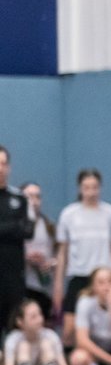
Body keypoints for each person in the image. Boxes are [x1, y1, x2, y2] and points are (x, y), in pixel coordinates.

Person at [53, 169, 111, 347]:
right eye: (86, 187)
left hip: (103, 278)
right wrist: (58, 285)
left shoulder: (110, 213)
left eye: (95, 187)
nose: (91, 192)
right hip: (78, 276)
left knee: (105, 327)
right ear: (80, 188)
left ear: (100, 188)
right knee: (69, 330)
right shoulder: (69, 214)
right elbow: (62, 252)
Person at [3, 299, 72, 365]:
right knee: (23, 346)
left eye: (40, 314)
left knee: (46, 345)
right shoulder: (14, 339)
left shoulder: (50, 336)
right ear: (20, 321)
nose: (39, 320)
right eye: (33, 317)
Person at [0, 146, 35, 341]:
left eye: (4, 163)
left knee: (14, 332)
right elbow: (18, 228)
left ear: (9, 167)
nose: (0, 168)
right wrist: (13, 227)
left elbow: (28, 231)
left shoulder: (20, 198)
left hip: (14, 278)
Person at [21, 181, 56, 319]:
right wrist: (27, 259)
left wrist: (51, 263)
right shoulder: (16, 226)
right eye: (29, 196)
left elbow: (59, 257)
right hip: (23, 286)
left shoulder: (49, 225)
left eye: (37, 197)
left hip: (45, 287)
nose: (34, 201)